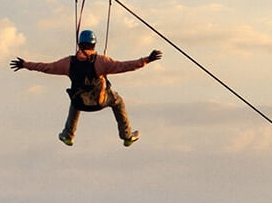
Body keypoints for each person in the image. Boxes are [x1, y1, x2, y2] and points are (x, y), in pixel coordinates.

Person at [10, 30, 161, 146]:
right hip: (99, 101)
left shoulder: (68, 63)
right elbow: (124, 66)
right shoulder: (101, 61)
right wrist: (147, 60)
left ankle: (68, 135)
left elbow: (46, 67)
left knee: (76, 99)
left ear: (79, 44)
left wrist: (25, 65)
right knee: (118, 101)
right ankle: (127, 136)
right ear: (94, 45)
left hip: (81, 103)